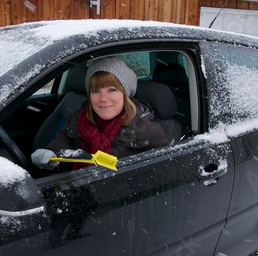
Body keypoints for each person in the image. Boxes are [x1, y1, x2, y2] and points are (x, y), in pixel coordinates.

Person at [31, 57, 168, 171]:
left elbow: (162, 175)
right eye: (95, 91)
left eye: (112, 90)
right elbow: (61, 148)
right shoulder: (78, 119)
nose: (103, 98)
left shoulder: (148, 130)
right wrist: (49, 157)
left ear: (125, 94)